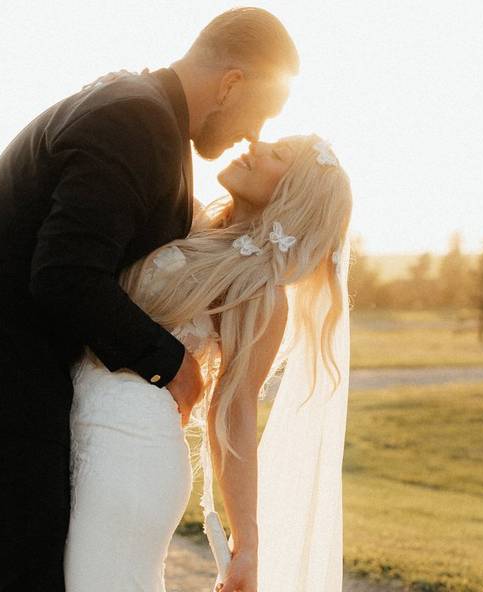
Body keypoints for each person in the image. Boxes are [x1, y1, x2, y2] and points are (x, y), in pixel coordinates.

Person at [0, 6, 299, 591]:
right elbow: (64, 274)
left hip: (1, 364)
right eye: (262, 114)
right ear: (231, 83)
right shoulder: (134, 122)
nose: (254, 134)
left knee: (31, 572)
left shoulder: (141, 109)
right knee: (15, 575)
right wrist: (172, 364)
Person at [64, 133, 353, 591]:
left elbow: (234, 411)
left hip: (132, 458)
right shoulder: (181, 216)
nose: (255, 145)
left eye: (276, 155)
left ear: (292, 197)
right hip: (70, 434)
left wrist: (248, 545)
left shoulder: (258, 291)